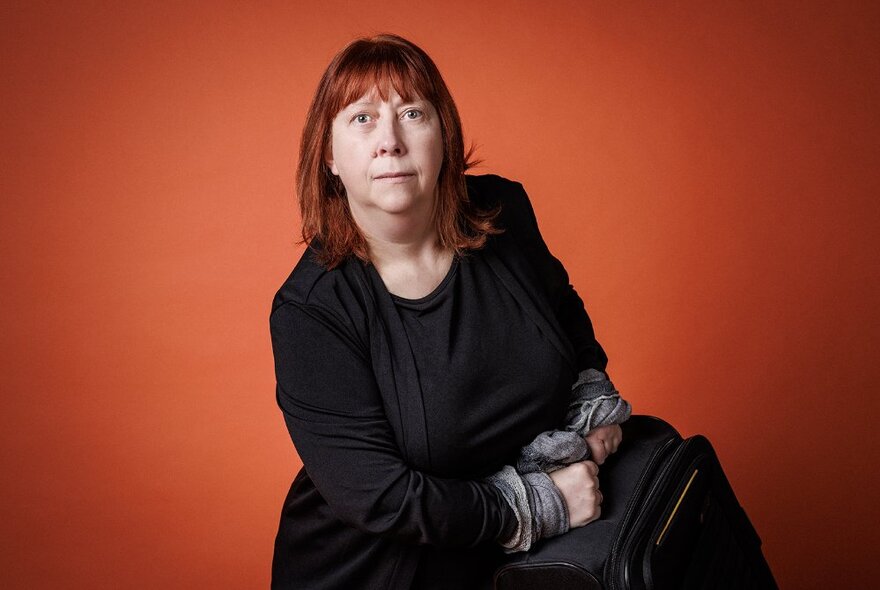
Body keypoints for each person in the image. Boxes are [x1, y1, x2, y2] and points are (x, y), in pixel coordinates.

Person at [269, 34, 631, 590]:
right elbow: (385, 498)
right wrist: (537, 507)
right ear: (329, 157)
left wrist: (589, 396)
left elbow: (561, 308)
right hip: (380, 572)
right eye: (362, 119)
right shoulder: (311, 311)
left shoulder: (503, 210)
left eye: (412, 112)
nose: (389, 141)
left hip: (511, 567)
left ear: (445, 134)